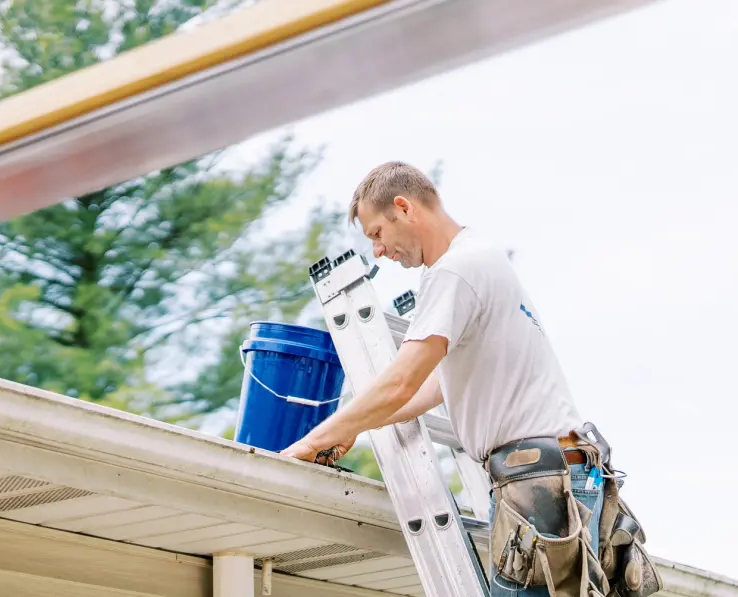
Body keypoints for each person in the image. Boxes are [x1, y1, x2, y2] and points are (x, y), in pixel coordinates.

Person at [280, 161, 659, 597]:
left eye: (377, 233)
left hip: (538, 484)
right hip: (565, 473)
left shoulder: (454, 271)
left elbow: (402, 381)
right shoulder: (482, 257)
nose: (379, 251)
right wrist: (356, 427)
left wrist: (313, 440)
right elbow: (435, 386)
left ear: (403, 208)